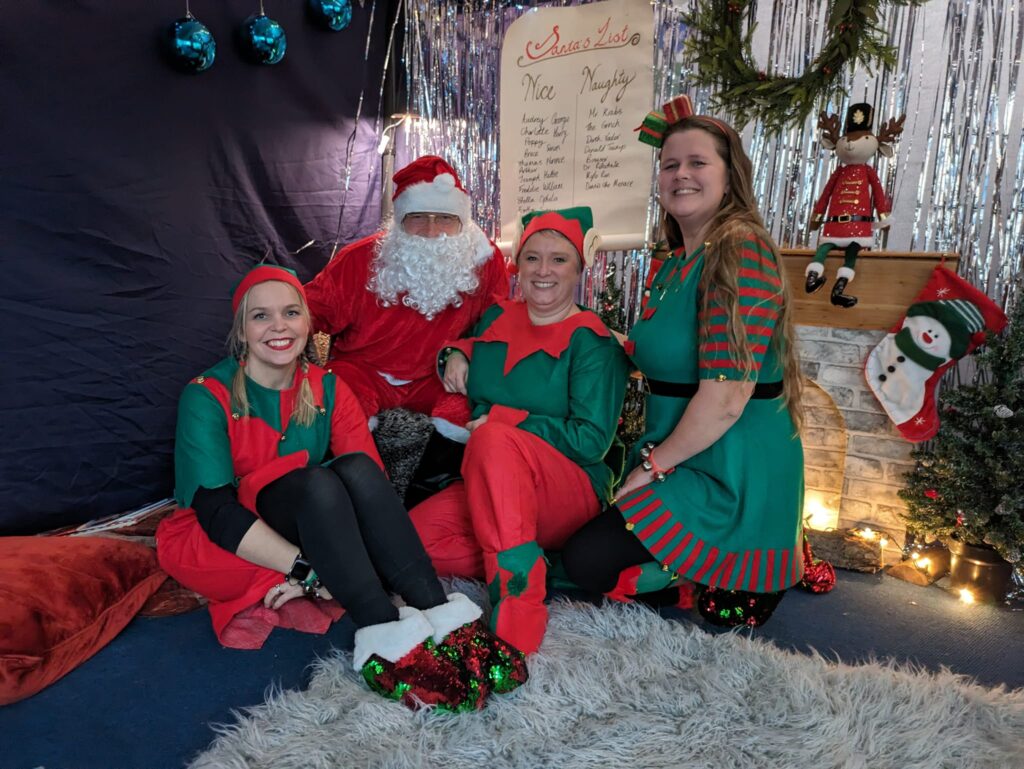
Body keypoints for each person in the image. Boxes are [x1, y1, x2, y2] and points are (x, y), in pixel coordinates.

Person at [156, 264, 526, 711]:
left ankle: (443, 615)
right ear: (241, 330)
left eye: (291, 313)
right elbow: (217, 514)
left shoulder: (327, 386)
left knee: (351, 469)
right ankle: (386, 637)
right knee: (317, 483)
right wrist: (308, 573)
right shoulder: (207, 394)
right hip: (227, 539)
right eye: (261, 316)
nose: (279, 327)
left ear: (308, 324)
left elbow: (367, 488)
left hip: (306, 521)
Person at [561, 95, 805, 628]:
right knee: (579, 556)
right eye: (670, 164)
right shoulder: (675, 261)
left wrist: (652, 468)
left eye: (698, 162)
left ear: (729, 175)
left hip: (732, 465)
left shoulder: (739, 252)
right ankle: (689, 570)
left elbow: (726, 398)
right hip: (679, 450)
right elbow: (654, 351)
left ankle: (739, 562)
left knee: (589, 562)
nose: (680, 174)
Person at [409, 207, 629, 655]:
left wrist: (507, 422)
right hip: (494, 485)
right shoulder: (496, 319)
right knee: (414, 541)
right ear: (517, 265)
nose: (543, 270)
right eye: (532, 258)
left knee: (491, 438)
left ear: (579, 267)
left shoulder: (592, 341)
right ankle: (539, 563)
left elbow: (592, 441)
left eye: (559, 259)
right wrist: (455, 353)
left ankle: (518, 618)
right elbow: (469, 343)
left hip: (568, 488)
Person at [304, 155, 510, 507]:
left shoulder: (485, 262)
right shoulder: (359, 261)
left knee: (464, 411)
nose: (432, 232)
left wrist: (465, 350)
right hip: (364, 370)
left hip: (438, 374)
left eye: (445, 218)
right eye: (418, 218)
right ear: (400, 220)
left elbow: (500, 327)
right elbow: (306, 311)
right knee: (338, 398)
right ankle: (365, 498)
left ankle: (427, 504)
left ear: (461, 220)